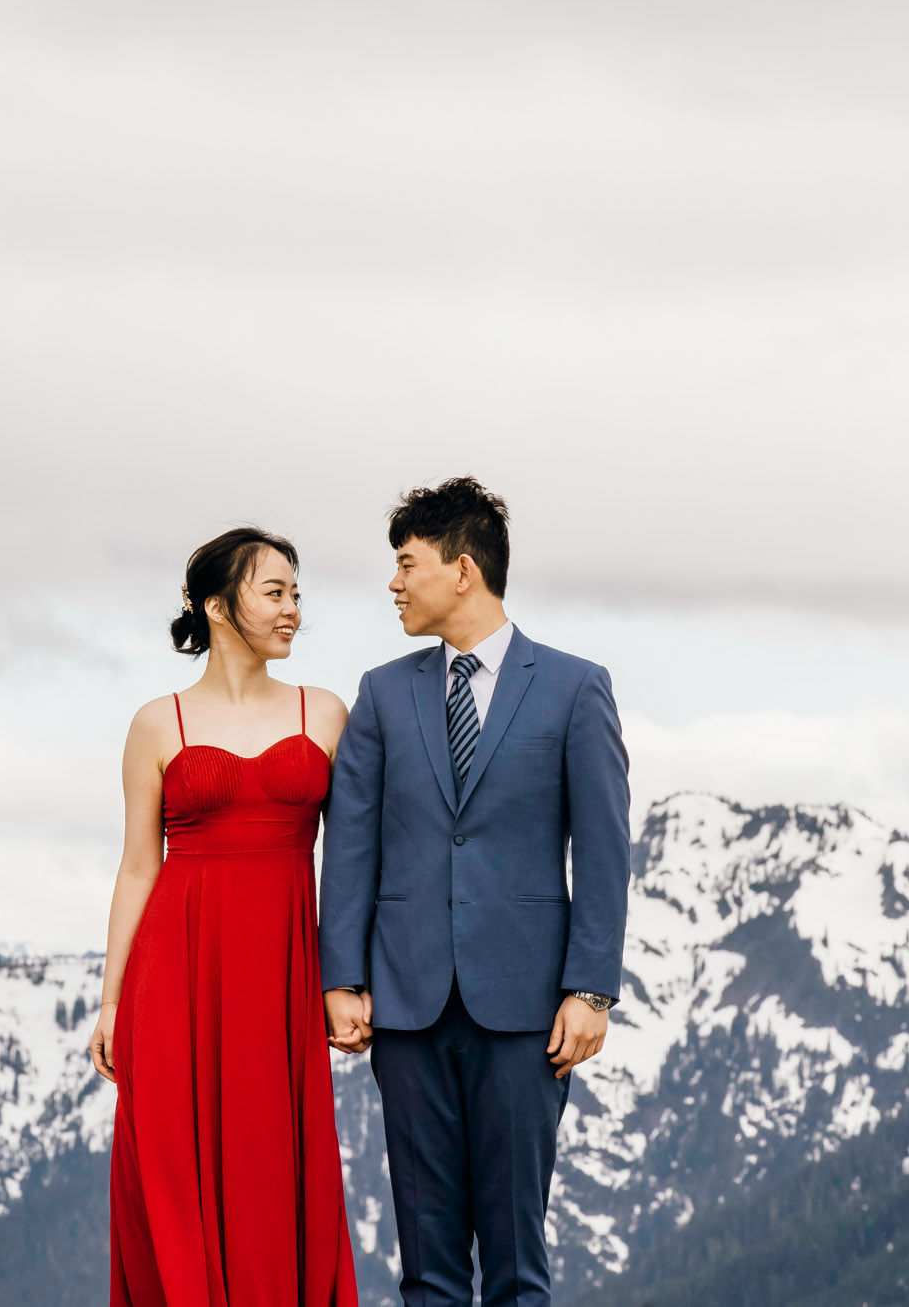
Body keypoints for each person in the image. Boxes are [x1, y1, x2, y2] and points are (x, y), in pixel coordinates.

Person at [319, 477, 630, 1307]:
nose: (393, 583)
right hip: (407, 1009)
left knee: (517, 1262)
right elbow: (351, 841)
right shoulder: (383, 692)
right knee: (426, 1263)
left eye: (405, 564)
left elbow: (603, 849)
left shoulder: (574, 686)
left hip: (528, 1011)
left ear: (462, 569)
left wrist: (590, 988)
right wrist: (339, 978)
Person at [89, 526, 358, 1307]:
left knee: (273, 1171)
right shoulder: (156, 722)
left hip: (280, 973)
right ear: (215, 605)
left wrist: (350, 977)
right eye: (275, 592)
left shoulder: (326, 712)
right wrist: (111, 1002)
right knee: (175, 1178)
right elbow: (140, 864)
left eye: (297, 594)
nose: (293, 611)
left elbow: (352, 864)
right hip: (175, 974)